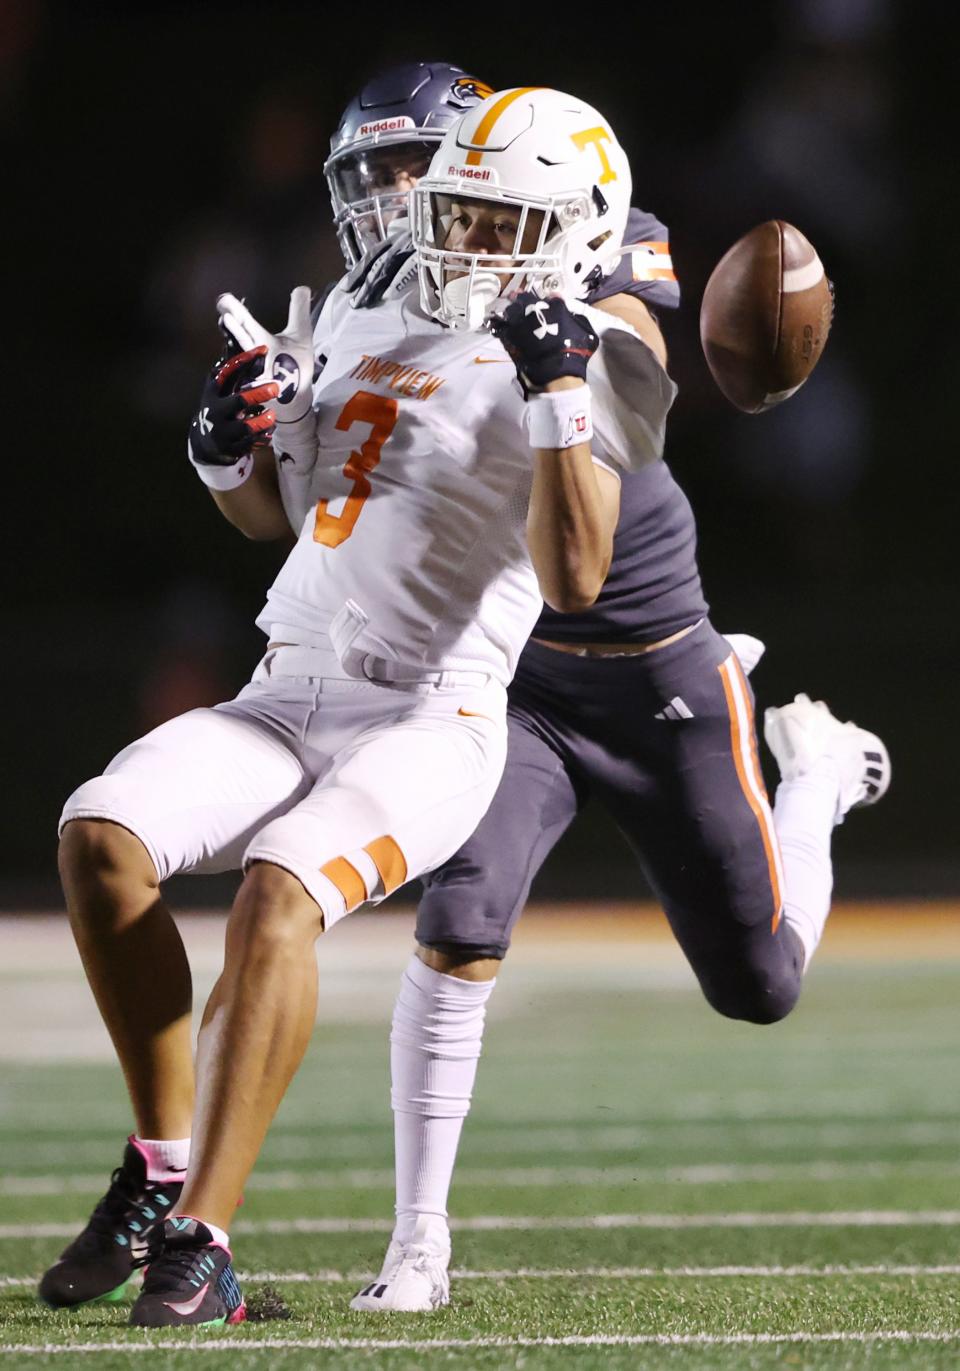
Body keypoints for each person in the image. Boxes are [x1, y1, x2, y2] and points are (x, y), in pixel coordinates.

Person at [42, 85, 675, 1328]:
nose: (463, 240)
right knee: (99, 837)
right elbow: (285, 509)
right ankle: (162, 1167)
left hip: (431, 716)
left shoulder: (598, 340)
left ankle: (206, 1242)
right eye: (461, 210)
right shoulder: (366, 299)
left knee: (282, 888)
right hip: (290, 684)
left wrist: (559, 393)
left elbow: (576, 576)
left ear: (568, 229)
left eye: (499, 221)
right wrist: (228, 448)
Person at [343, 133, 893, 1316]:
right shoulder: (395, 301)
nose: (444, 230)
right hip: (522, 679)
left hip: (657, 675)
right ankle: (416, 1243)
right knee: (458, 926)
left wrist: (565, 348)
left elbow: (634, 369)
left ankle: (817, 778)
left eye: (464, 204)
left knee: (762, 988)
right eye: (436, 204)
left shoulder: (606, 262)